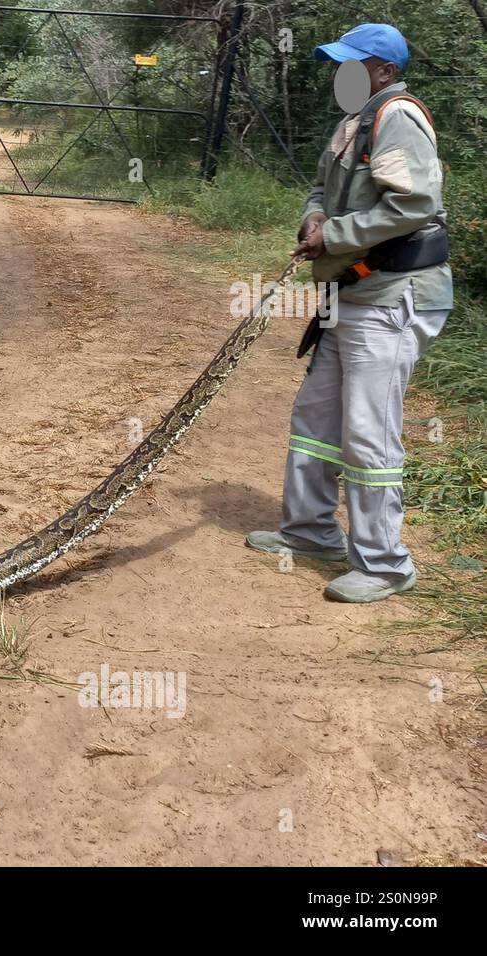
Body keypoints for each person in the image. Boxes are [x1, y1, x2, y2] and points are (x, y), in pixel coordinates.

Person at [245, 23, 452, 603]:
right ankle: (310, 533)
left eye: (352, 65)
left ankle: (386, 566)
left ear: (382, 71)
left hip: (391, 293)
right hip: (353, 291)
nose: (341, 74)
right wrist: (315, 221)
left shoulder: (397, 117)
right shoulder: (352, 122)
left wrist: (334, 233)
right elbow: (319, 190)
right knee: (316, 420)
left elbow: (413, 205)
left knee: (368, 431)